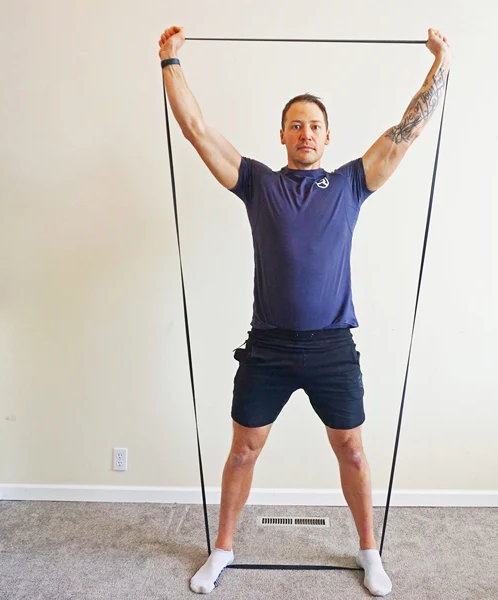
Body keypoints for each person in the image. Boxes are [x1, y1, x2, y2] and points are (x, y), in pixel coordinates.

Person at [159, 25, 451, 596]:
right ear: (284, 135)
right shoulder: (258, 183)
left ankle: (369, 552)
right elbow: (197, 131)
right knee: (243, 451)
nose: (305, 132)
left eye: (314, 125)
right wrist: (170, 62)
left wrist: (439, 66)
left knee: (353, 450)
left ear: (326, 136)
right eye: (296, 124)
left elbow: (404, 134)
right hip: (267, 347)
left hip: (332, 347)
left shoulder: (349, 183)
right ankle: (222, 550)